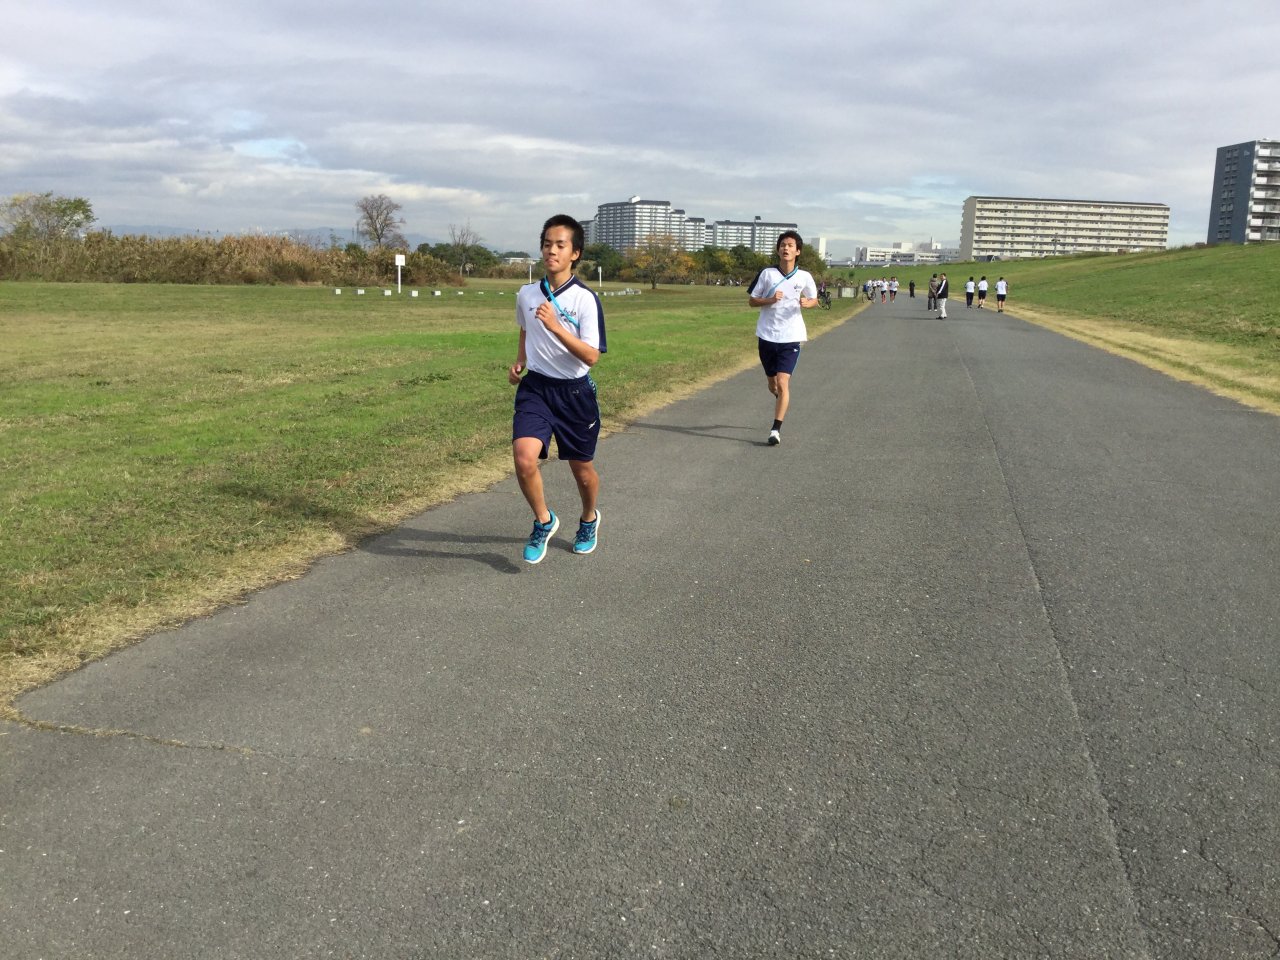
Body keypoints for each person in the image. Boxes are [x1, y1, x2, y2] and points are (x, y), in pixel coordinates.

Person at [508, 214, 607, 564]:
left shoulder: (585, 299)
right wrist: (520, 360)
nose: (552, 250)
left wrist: (556, 327)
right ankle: (543, 521)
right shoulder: (526, 293)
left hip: (575, 394)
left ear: (575, 254)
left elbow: (591, 356)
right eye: (547, 244)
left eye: (560, 245)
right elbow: (525, 327)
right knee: (524, 458)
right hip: (536, 388)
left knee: (582, 471)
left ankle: (589, 519)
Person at [748, 230, 818, 446]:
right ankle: (779, 398)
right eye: (782, 245)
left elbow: (814, 299)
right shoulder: (767, 274)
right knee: (773, 384)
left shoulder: (804, 276)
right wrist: (769, 299)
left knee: (782, 381)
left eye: (790, 245)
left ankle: (775, 429)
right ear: (778, 250)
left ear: (798, 251)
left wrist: (808, 303)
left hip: (791, 336)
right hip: (767, 335)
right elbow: (752, 301)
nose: (785, 248)